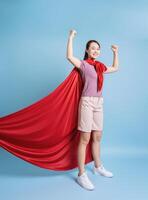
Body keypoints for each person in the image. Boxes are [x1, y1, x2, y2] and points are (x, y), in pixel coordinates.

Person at [66, 29, 119, 190]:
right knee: (85, 138)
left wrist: (115, 53)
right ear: (87, 50)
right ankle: (81, 174)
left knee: (97, 136)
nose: (95, 50)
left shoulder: (100, 67)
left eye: (98, 48)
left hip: (99, 103)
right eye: (92, 48)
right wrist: (71, 37)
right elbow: (69, 56)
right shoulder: (84, 65)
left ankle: (97, 167)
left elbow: (116, 68)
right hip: (87, 102)